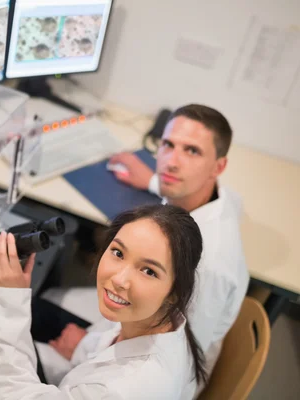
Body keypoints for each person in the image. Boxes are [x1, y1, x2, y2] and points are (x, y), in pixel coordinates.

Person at [39, 104, 249, 389]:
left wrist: (83, 347)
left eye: (192, 151)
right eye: (168, 145)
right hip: (132, 321)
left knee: (27, 320)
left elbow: (177, 356)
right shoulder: (219, 200)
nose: (171, 163)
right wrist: (153, 181)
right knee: (42, 300)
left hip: (145, 372)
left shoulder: (206, 264)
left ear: (219, 166)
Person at [0, 205, 206, 399]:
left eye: (148, 271)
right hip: (87, 356)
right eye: (118, 253)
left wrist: (6, 298)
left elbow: (9, 393)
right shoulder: (166, 324)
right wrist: (82, 348)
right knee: (34, 308)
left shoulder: (118, 390)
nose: (119, 280)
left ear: (174, 292)